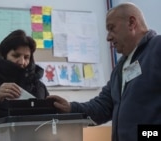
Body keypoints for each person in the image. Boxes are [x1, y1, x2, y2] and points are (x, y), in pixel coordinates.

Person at [47, 2, 161, 141]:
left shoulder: (157, 48)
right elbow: (102, 108)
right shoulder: (121, 67)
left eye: (112, 28)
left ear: (132, 23)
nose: (108, 37)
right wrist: (71, 108)